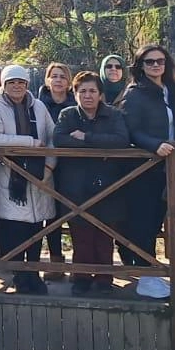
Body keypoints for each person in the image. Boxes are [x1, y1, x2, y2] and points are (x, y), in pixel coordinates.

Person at [119, 44, 175, 299]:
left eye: (160, 61)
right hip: (145, 166)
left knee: (162, 217)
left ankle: (158, 272)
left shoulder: (172, 91)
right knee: (144, 220)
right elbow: (131, 130)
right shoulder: (135, 94)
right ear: (140, 66)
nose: (156, 65)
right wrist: (154, 145)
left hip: (171, 164)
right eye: (150, 62)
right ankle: (146, 275)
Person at [53, 72, 132, 295]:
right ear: (75, 93)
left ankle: (104, 278)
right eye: (83, 91)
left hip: (107, 183)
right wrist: (98, 146)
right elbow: (59, 139)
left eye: (92, 91)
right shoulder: (67, 114)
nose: (88, 95)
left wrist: (86, 137)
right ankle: (82, 277)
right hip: (75, 183)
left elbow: (121, 141)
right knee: (81, 235)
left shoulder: (113, 115)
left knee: (104, 235)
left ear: (100, 94)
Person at [0, 65, 56, 295]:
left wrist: (49, 166)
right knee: (16, 230)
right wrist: (30, 142)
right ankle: (19, 276)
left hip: (39, 176)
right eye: (12, 82)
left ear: (27, 84)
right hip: (12, 178)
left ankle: (34, 274)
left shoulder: (39, 106)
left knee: (36, 229)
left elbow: (53, 137)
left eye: (21, 82)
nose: (17, 86)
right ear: (4, 85)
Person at [35, 62, 76, 276]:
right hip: (45, 165)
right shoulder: (37, 104)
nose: (58, 80)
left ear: (69, 82)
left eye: (63, 76)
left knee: (75, 212)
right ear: (47, 80)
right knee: (50, 215)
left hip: (71, 166)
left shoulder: (77, 104)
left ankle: (81, 263)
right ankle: (56, 261)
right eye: (54, 76)